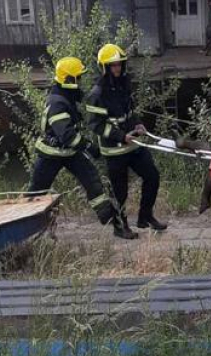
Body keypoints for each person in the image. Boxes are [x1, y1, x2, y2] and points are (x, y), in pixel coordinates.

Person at [28, 57, 137, 240]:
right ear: (68, 79)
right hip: (51, 155)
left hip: (70, 152)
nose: (80, 81)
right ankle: (25, 230)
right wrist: (89, 146)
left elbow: (84, 112)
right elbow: (67, 135)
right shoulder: (57, 103)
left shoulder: (67, 95)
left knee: (94, 183)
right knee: (35, 193)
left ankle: (116, 224)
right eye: (77, 77)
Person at [85, 44, 167, 233]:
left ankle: (145, 217)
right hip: (114, 150)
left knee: (152, 176)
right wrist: (121, 136)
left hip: (133, 145)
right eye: (113, 65)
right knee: (119, 191)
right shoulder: (97, 94)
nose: (118, 68)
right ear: (104, 67)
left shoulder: (124, 85)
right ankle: (120, 227)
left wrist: (137, 124)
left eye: (119, 64)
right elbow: (96, 124)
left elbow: (130, 112)